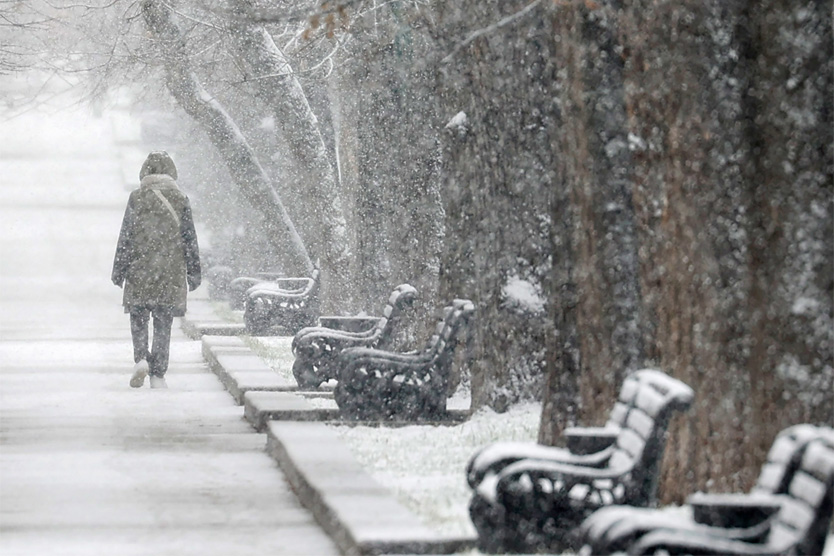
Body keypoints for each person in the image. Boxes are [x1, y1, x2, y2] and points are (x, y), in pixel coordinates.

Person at [111, 151, 201, 389]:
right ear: (172, 173)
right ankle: (158, 372)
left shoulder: (137, 198)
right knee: (163, 322)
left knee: (139, 318)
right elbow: (189, 238)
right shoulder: (181, 199)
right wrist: (194, 272)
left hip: (139, 269)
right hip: (169, 273)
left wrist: (119, 270)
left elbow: (126, 236)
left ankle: (141, 358)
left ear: (145, 172)